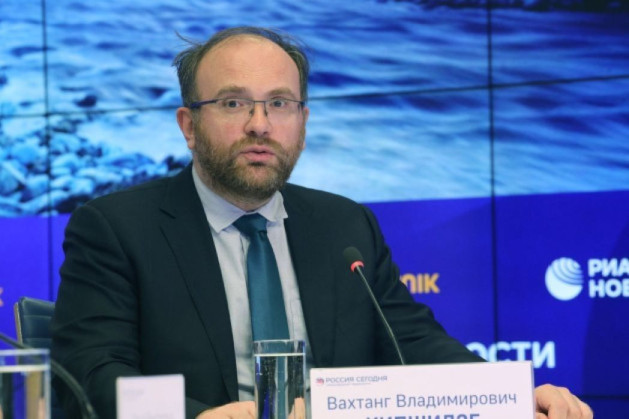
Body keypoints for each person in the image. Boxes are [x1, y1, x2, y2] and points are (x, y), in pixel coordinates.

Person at [51, 26, 593, 419]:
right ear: (189, 126)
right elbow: (92, 375)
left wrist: (510, 398)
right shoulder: (117, 228)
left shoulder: (343, 225)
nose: (260, 125)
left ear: (303, 124)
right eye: (234, 103)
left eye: (280, 104)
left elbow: (413, 342)